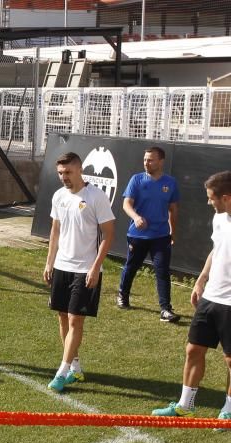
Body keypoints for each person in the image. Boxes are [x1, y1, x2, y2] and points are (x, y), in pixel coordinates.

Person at [152, 171, 231, 420]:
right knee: (193, 349)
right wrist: (201, 280)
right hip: (210, 298)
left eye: (211, 198)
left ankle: (228, 412)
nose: (209, 202)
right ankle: (185, 405)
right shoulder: (219, 219)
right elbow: (216, 250)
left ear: (226, 197)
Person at [44, 152, 115, 392]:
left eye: (68, 172)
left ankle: (62, 372)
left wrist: (95, 267)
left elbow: (109, 234)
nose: (64, 177)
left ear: (79, 169)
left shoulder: (96, 196)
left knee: (75, 319)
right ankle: (75, 369)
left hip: (85, 270)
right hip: (61, 266)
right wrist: (49, 262)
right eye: (61, 173)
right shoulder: (58, 196)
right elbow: (55, 230)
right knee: (63, 317)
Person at [116, 146, 181, 322]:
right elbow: (126, 205)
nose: (146, 163)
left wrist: (172, 232)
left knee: (162, 271)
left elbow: (173, 210)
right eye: (145, 159)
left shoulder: (171, 183)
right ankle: (123, 295)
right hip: (137, 235)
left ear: (161, 161)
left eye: (150, 159)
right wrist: (136, 217)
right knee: (131, 266)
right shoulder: (136, 180)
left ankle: (165, 309)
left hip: (161, 236)